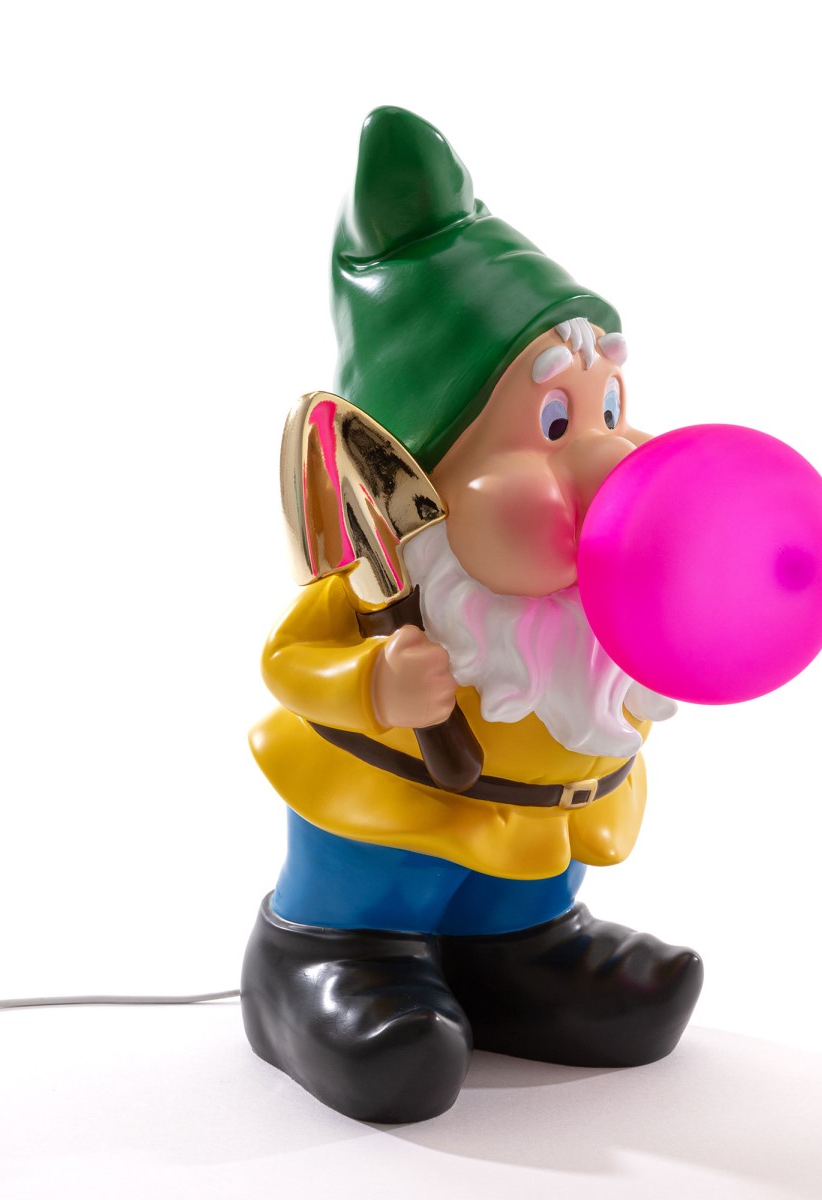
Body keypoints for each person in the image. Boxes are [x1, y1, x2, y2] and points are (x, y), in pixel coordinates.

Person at [241, 107, 702, 1124]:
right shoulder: (380, 589)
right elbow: (287, 664)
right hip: (379, 846)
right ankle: (329, 961)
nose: (610, 459)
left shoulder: (591, 598)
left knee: (531, 878)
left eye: (610, 412)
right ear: (424, 471)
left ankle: (521, 950)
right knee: (381, 888)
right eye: (554, 425)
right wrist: (372, 681)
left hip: (534, 832)